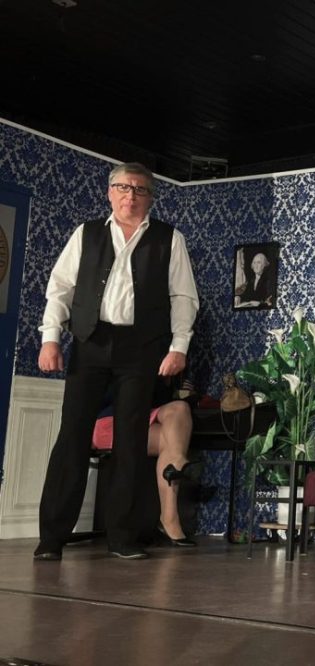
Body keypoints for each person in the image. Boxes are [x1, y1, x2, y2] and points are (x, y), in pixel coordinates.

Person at [34, 162, 200, 561]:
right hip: (90, 341)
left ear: (150, 198)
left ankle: (123, 537)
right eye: (124, 188)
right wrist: (50, 339)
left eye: (140, 190)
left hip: (141, 348)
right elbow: (60, 288)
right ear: (110, 192)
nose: (131, 196)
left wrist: (179, 347)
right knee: (72, 436)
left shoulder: (169, 239)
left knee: (130, 441)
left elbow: (183, 297)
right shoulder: (86, 233)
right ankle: (52, 538)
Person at [92, 377, 197, 547]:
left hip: (143, 417)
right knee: (172, 442)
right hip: (112, 420)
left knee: (180, 408)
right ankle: (169, 519)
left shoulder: (169, 372)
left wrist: (170, 383)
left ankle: (177, 463)